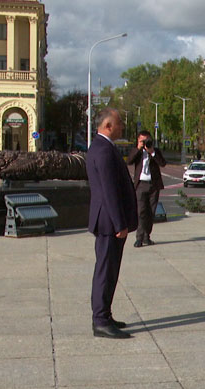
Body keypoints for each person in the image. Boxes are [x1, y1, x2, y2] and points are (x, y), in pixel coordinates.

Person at [85, 108, 138, 339]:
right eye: (119, 124)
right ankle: (100, 320)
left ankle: (105, 314)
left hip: (108, 221)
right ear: (108, 126)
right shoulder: (104, 150)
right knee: (105, 272)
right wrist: (119, 224)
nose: (122, 127)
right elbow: (109, 192)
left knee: (110, 271)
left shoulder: (102, 146)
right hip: (109, 223)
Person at [126, 130, 167, 247]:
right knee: (141, 212)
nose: (145, 143)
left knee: (151, 212)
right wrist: (138, 148)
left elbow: (163, 163)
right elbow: (129, 161)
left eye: (147, 140)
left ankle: (146, 236)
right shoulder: (137, 152)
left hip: (154, 185)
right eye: (142, 141)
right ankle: (139, 238)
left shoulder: (155, 151)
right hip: (141, 185)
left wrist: (152, 152)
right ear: (138, 141)